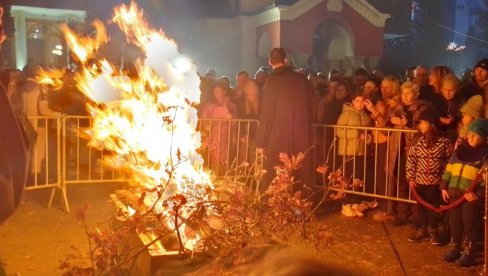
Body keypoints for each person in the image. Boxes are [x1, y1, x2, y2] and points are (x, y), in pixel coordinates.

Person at [256, 48, 313, 193]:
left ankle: (277, 202)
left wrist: (261, 141)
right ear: (285, 60)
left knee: (277, 166)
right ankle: (300, 201)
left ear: (269, 61)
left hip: (279, 132)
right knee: (299, 167)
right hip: (300, 132)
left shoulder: (271, 82)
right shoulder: (301, 79)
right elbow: (310, 104)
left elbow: (267, 113)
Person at [441, 118, 488, 267]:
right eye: (470, 134)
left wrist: (478, 194)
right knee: (455, 222)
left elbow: (485, 181)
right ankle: (455, 246)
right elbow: (449, 168)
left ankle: (469, 251)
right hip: (454, 192)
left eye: (476, 135)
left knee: (470, 224)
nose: (472, 138)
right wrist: (444, 185)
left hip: (469, 197)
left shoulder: (484, 156)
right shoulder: (459, 150)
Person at [406, 109, 452, 244]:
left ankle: (433, 229)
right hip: (419, 181)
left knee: (433, 206)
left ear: (432, 125)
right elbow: (411, 160)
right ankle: (422, 229)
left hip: (435, 182)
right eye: (420, 123)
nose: (421, 126)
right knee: (420, 206)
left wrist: (444, 180)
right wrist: (411, 177)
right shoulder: (417, 142)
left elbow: (448, 162)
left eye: (424, 123)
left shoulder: (444, 142)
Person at [336, 92, 373, 217]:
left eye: (362, 101)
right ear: (352, 101)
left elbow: (369, 132)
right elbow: (339, 131)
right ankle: (345, 204)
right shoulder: (346, 114)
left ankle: (355, 204)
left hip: (361, 151)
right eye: (357, 101)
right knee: (348, 178)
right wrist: (356, 135)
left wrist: (367, 138)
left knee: (358, 178)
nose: (360, 104)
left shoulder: (366, 117)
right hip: (347, 150)